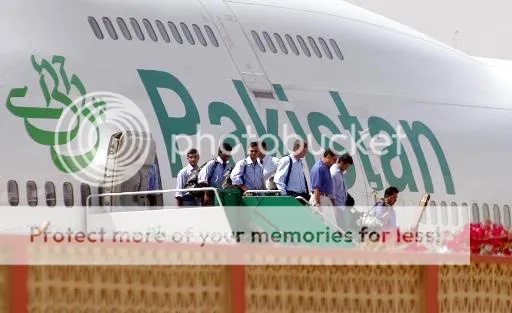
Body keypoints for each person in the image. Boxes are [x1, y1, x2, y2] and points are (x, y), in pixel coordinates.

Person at [330, 153, 354, 229]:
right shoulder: (334, 173)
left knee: (343, 226)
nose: (346, 169)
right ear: (341, 162)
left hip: (341, 204)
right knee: (341, 228)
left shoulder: (340, 171)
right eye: (346, 166)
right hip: (337, 206)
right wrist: (334, 208)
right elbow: (332, 192)